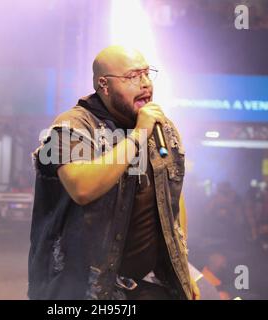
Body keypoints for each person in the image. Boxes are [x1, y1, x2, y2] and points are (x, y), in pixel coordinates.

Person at [28, 45, 200, 300]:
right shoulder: (71, 126)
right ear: (104, 85)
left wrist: (182, 269)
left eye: (146, 73)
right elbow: (82, 189)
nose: (145, 84)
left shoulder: (161, 128)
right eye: (133, 76)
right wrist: (138, 135)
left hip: (147, 287)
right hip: (82, 290)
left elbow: (172, 200)